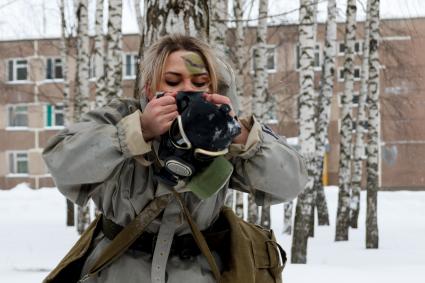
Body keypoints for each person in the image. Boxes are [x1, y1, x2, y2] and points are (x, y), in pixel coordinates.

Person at [42, 34, 308, 283]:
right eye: (172, 81)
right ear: (149, 88)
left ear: (214, 88)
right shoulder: (119, 118)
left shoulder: (224, 132)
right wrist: (138, 132)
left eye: (200, 83)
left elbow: (289, 183)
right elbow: (62, 162)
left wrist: (239, 136)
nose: (187, 90)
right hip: (119, 270)